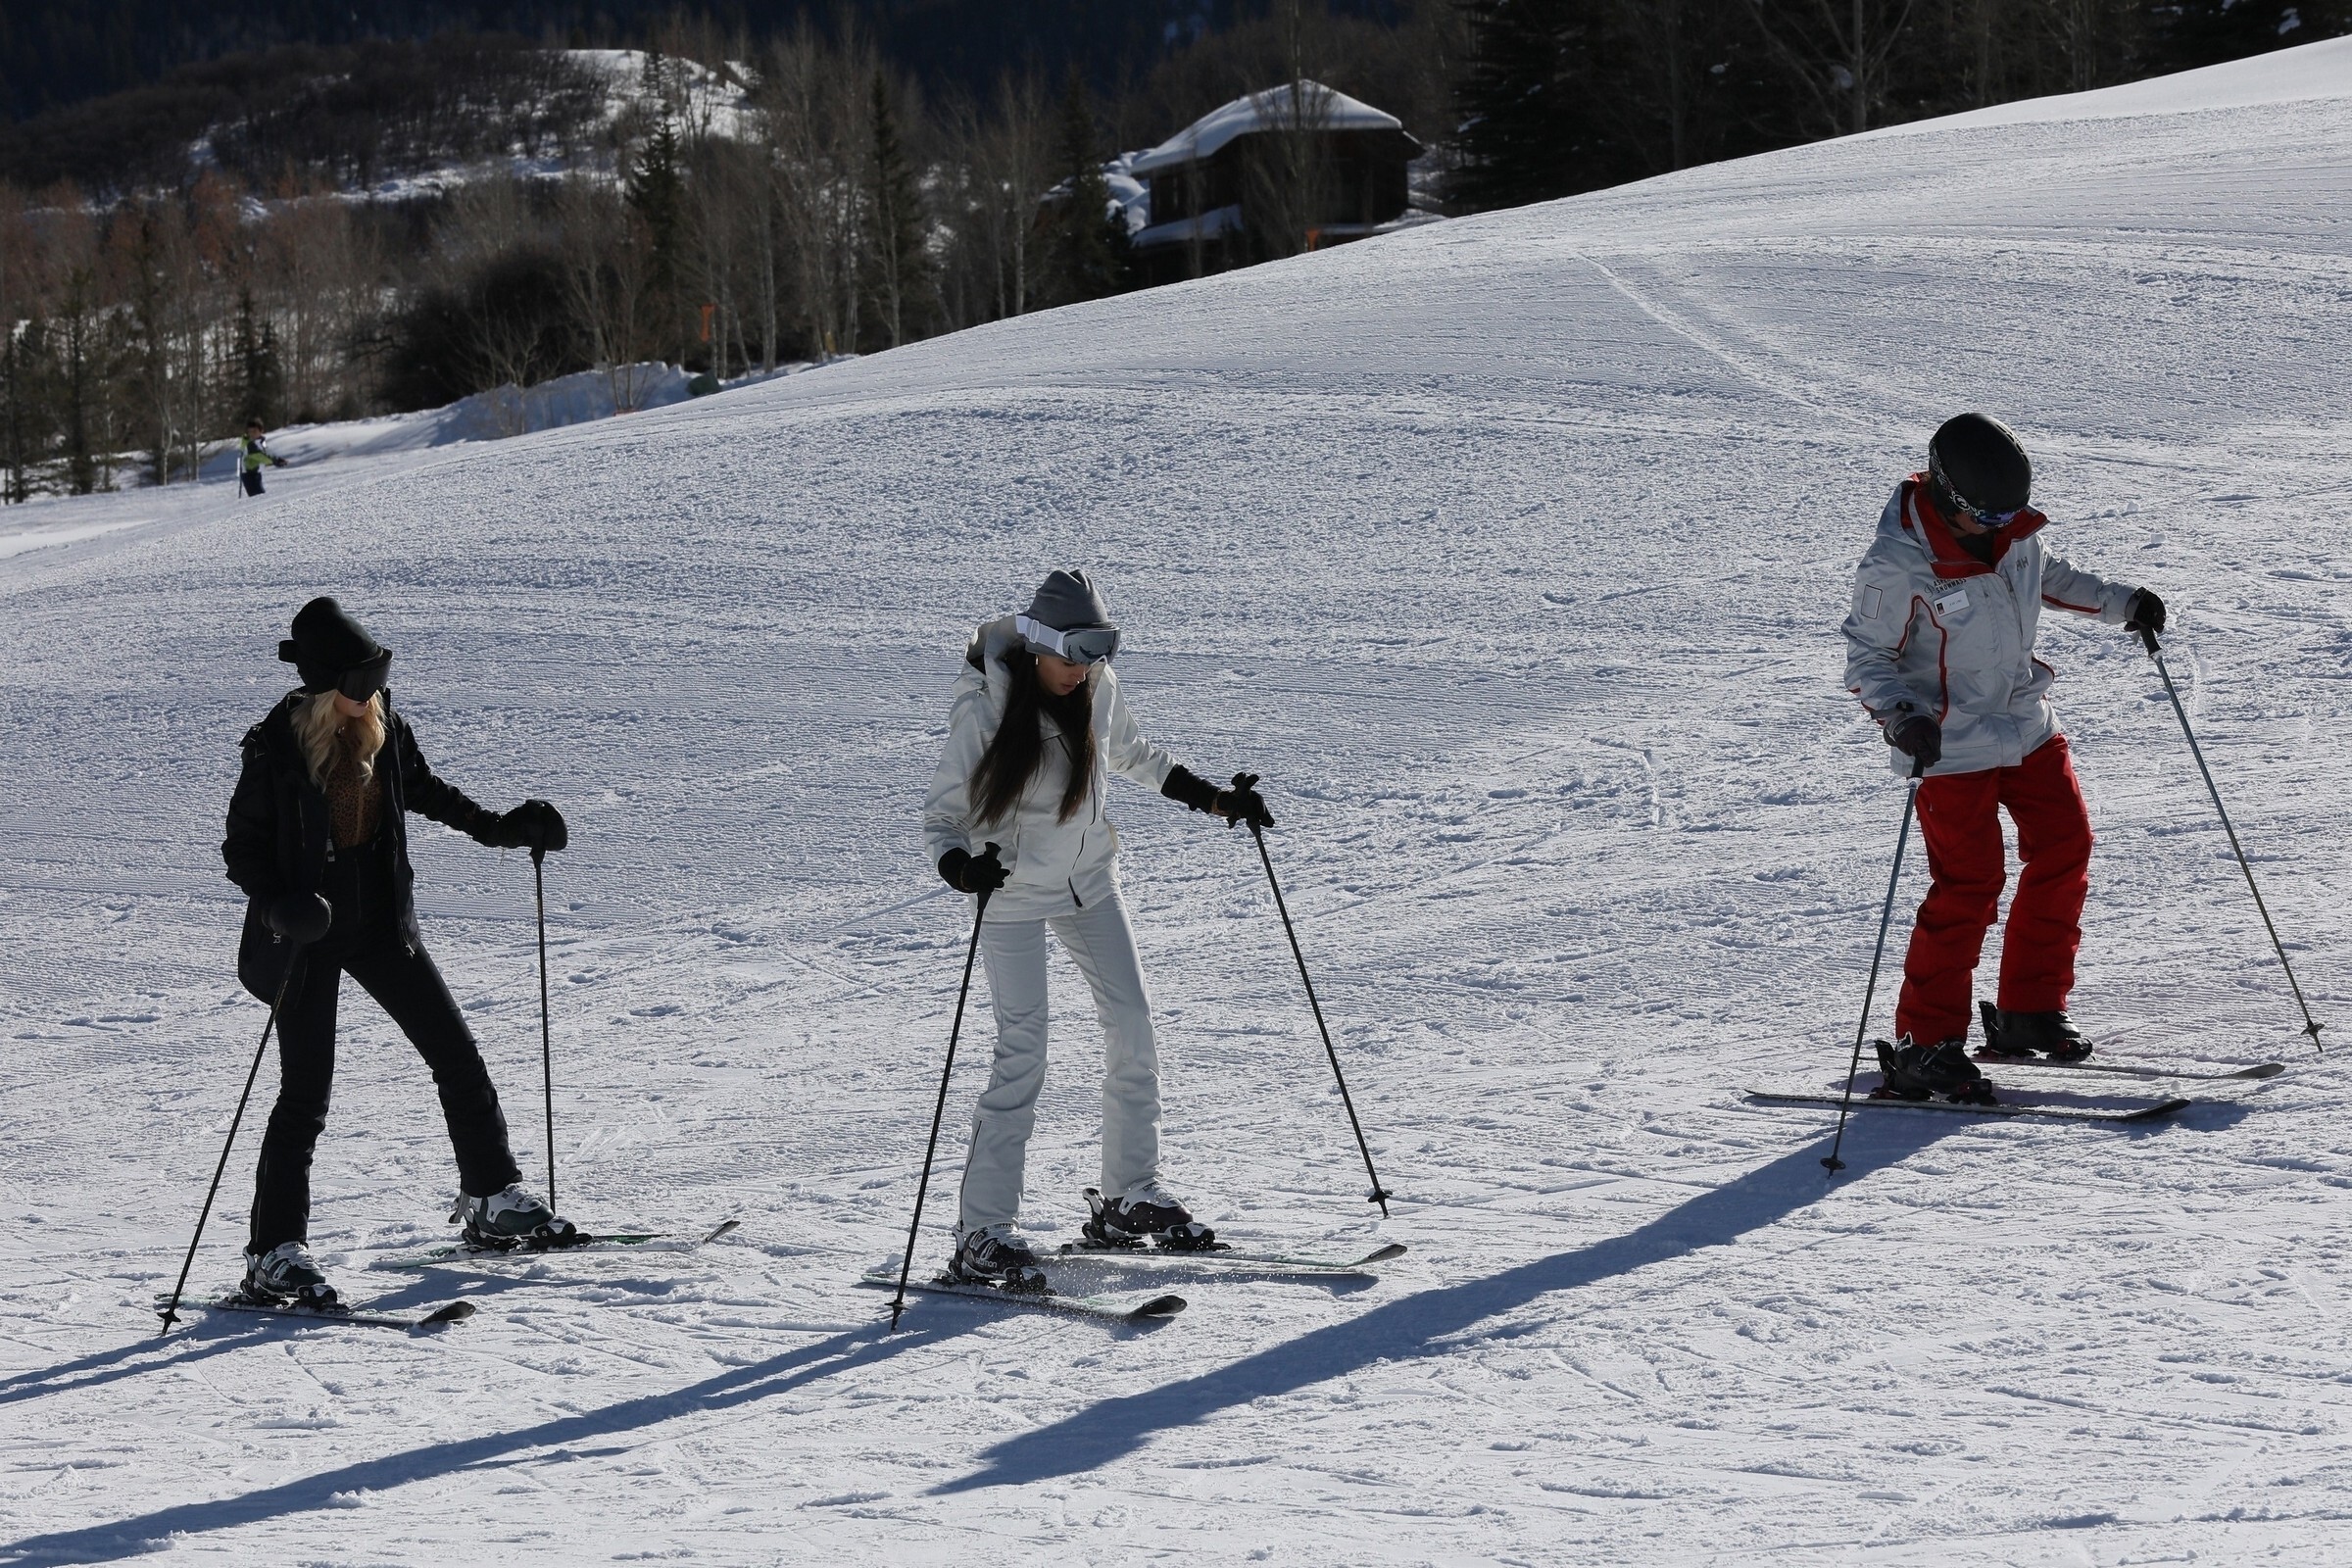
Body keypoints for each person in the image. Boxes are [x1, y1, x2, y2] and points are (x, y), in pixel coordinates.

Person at [921, 569, 1272, 1286]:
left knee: (1133, 1025)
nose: (1083, 668)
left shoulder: (1094, 688)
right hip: (1012, 893)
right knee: (1024, 1053)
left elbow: (1134, 755)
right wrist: (962, 870)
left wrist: (1215, 800)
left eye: (1099, 651)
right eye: (1074, 653)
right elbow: (942, 819)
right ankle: (981, 1230)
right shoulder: (985, 709)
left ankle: (1127, 1196)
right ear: (1039, 644)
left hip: (1088, 883)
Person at [221, 597, 575, 1307]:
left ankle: (490, 1196)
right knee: (305, 1094)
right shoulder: (276, 748)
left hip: (380, 922)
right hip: (305, 936)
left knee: (455, 1053)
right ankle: (272, 1252)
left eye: (377, 678)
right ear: (325, 686)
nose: (372, 694)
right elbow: (242, 849)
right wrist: (280, 905)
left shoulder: (384, 728)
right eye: (359, 682)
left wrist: (501, 829)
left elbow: (426, 792)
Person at [1843, 413, 2167, 1101]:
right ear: (1946, 494)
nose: (2002, 526)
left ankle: (2028, 1011)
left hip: (2024, 723)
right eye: (1988, 515)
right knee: (1969, 885)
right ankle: (1924, 1044)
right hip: (1948, 744)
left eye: (2010, 514)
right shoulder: (1898, 564)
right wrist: (1902, 717)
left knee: (2065, 846)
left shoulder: (2010, 533)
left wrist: (2125, 603)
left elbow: (2048, 576)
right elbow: (1868, 657)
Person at [239, 418, 288, 497]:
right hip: (248, 473)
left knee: (260, 494)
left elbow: (266, 453)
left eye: (254, 431)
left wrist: (277, 459)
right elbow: (259, 456)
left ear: (261, 430)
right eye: (250, 432)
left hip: (256, 472)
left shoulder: (261, 441)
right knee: (258, 496)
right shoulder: (249, 444)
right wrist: (274, 461)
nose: (252, 434)